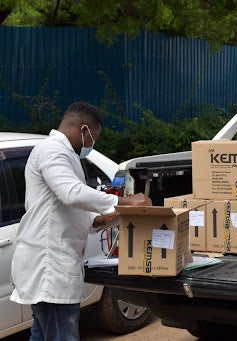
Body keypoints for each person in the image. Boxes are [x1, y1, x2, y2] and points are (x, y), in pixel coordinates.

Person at [10, 102, 152, 341]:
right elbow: (72, 193)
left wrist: (114, 216)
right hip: (49, 268)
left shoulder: (64, 155)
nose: (90, 145)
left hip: (51, 267)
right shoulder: (53, 151)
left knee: (42, 335)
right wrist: (126, 202)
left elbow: (77, 214)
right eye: (92, 139)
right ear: (83, 129)